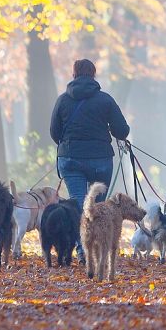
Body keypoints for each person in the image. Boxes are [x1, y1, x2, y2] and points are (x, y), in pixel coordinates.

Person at [50, 58, 130, 263]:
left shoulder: (63, 100)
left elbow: (54, 132)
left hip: (70, 159)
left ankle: (82, 249)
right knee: (98, 206)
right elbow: (122, 130)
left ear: (74, 74)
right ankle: (97, 248)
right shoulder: (105, 100)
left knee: (78, 203)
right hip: (100, 159)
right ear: (93, 74)